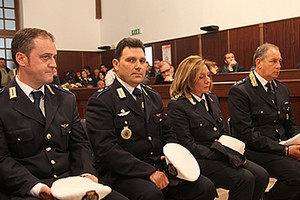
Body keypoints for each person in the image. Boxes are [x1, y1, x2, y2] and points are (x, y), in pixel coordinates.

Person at [0, 28, 127, 200]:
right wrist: (36, 187)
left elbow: (79, 144)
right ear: (21, 59)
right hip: (28, 190)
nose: (53, 64)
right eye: (45, 57)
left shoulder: (65, 98)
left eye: (54, 57)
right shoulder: (3, 104)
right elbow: (3, 160)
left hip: (71, 184)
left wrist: (86, 173)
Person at [86, 37, 216, 200]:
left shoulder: (152, 96)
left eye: (142, 61)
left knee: (205, 187)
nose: (138, 66)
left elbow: (168, 133)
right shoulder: (102, 101)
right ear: (116, 64)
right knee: (151, 195)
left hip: (159, 166)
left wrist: (171, 157)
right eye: (131, 60)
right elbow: (106, 149)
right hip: (123, 174)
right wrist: (149, 172)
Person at [168, 55, 269, 200]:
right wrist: (221, 154)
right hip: (199, 159)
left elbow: (223, 132)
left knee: (261, 175)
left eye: (208, 75)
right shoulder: (178, 106)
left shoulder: (212, 99)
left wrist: (229, 153)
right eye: (201, 77)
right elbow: (187, 145)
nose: (208, 80)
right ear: (188, 80)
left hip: (221, 153)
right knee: (244, 179)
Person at [228, 43, 300, 200]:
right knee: (297, 175)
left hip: (282, 145)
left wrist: (298, 142)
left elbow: (290, 124)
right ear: (259, 63)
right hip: (257, 150)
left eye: (280, 61)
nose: (278, 66)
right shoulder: (241, 91)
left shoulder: (281, 89)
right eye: (273, 61)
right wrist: (285, 151)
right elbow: (246, 134)